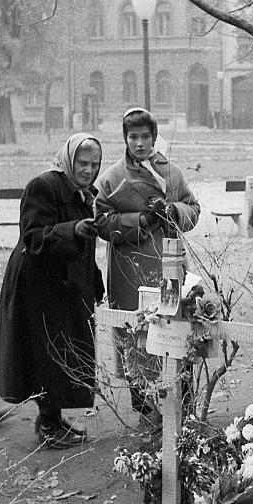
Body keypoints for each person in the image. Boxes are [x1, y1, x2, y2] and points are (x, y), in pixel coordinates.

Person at [0, 133, 105, 449]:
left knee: (63, 349)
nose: (88, 170)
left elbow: (86, 243)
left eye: (95, 164)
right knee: (45, 353)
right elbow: (32, 237)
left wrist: (94, 279)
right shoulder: (44, 186)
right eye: (83, 163)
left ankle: (53, 419)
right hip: (36, 284)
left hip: (64, 282)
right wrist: (72, 229)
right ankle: (48, 425)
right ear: (69, 159)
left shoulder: (84, 194)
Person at [95, 108, 201, 421]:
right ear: (125, 139)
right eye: (133, 137)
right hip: (129, 269)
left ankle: (181, 405)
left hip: (168, 265)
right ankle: (144, 407)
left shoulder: (172, 173)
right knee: (136, 334)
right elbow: (100, 221)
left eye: (145, 136)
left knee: (173, 329)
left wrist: (173, 211)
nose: (140, 143)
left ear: (154, 138)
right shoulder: (114, 177)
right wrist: (136, 220)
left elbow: (193, 207)